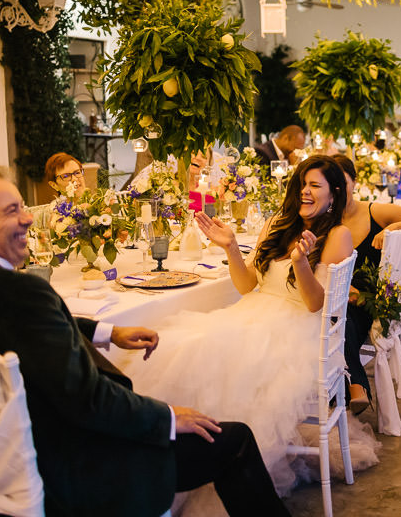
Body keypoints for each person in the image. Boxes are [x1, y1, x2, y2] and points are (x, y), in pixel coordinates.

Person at [0, 166, 288, 517]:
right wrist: (167, 416)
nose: (28, 218)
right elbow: (89, 400)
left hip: (3, 456)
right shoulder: (23, 293)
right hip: (79, 463)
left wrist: (106, 332)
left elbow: (22, 331)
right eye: (12, 210)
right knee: (234, 439)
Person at [118, 156, 376, 501]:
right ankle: (172, 461)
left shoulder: (338, 234)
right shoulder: (278, 223)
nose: (306, 191)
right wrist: (229, 246)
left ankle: (223, 466)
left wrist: (300, 262)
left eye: (316, 186)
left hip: (298, 328)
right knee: (183, 345)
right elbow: (246, 285)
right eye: (302, 183)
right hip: (254, 312)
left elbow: (317, 304)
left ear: (334, 194)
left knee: (221, 354)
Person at [330, 155, 401, 412]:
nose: (337, 189)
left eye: (342, 182)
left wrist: (393, 228)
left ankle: (355, 386)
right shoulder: (325, 218)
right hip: (336, 295)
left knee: (342, 322)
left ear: (354, 182)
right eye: (331, 184)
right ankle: (343, 389)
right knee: (330, 319)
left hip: (370, 299)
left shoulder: (374, 211)